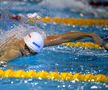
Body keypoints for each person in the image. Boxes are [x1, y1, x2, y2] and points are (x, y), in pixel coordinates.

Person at [0, 31, 107, 65]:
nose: (33, 55)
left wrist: (89, 35)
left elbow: (62, 38)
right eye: (33, 53)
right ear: (26, 49)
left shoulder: (32, 43)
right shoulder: (14, 53)